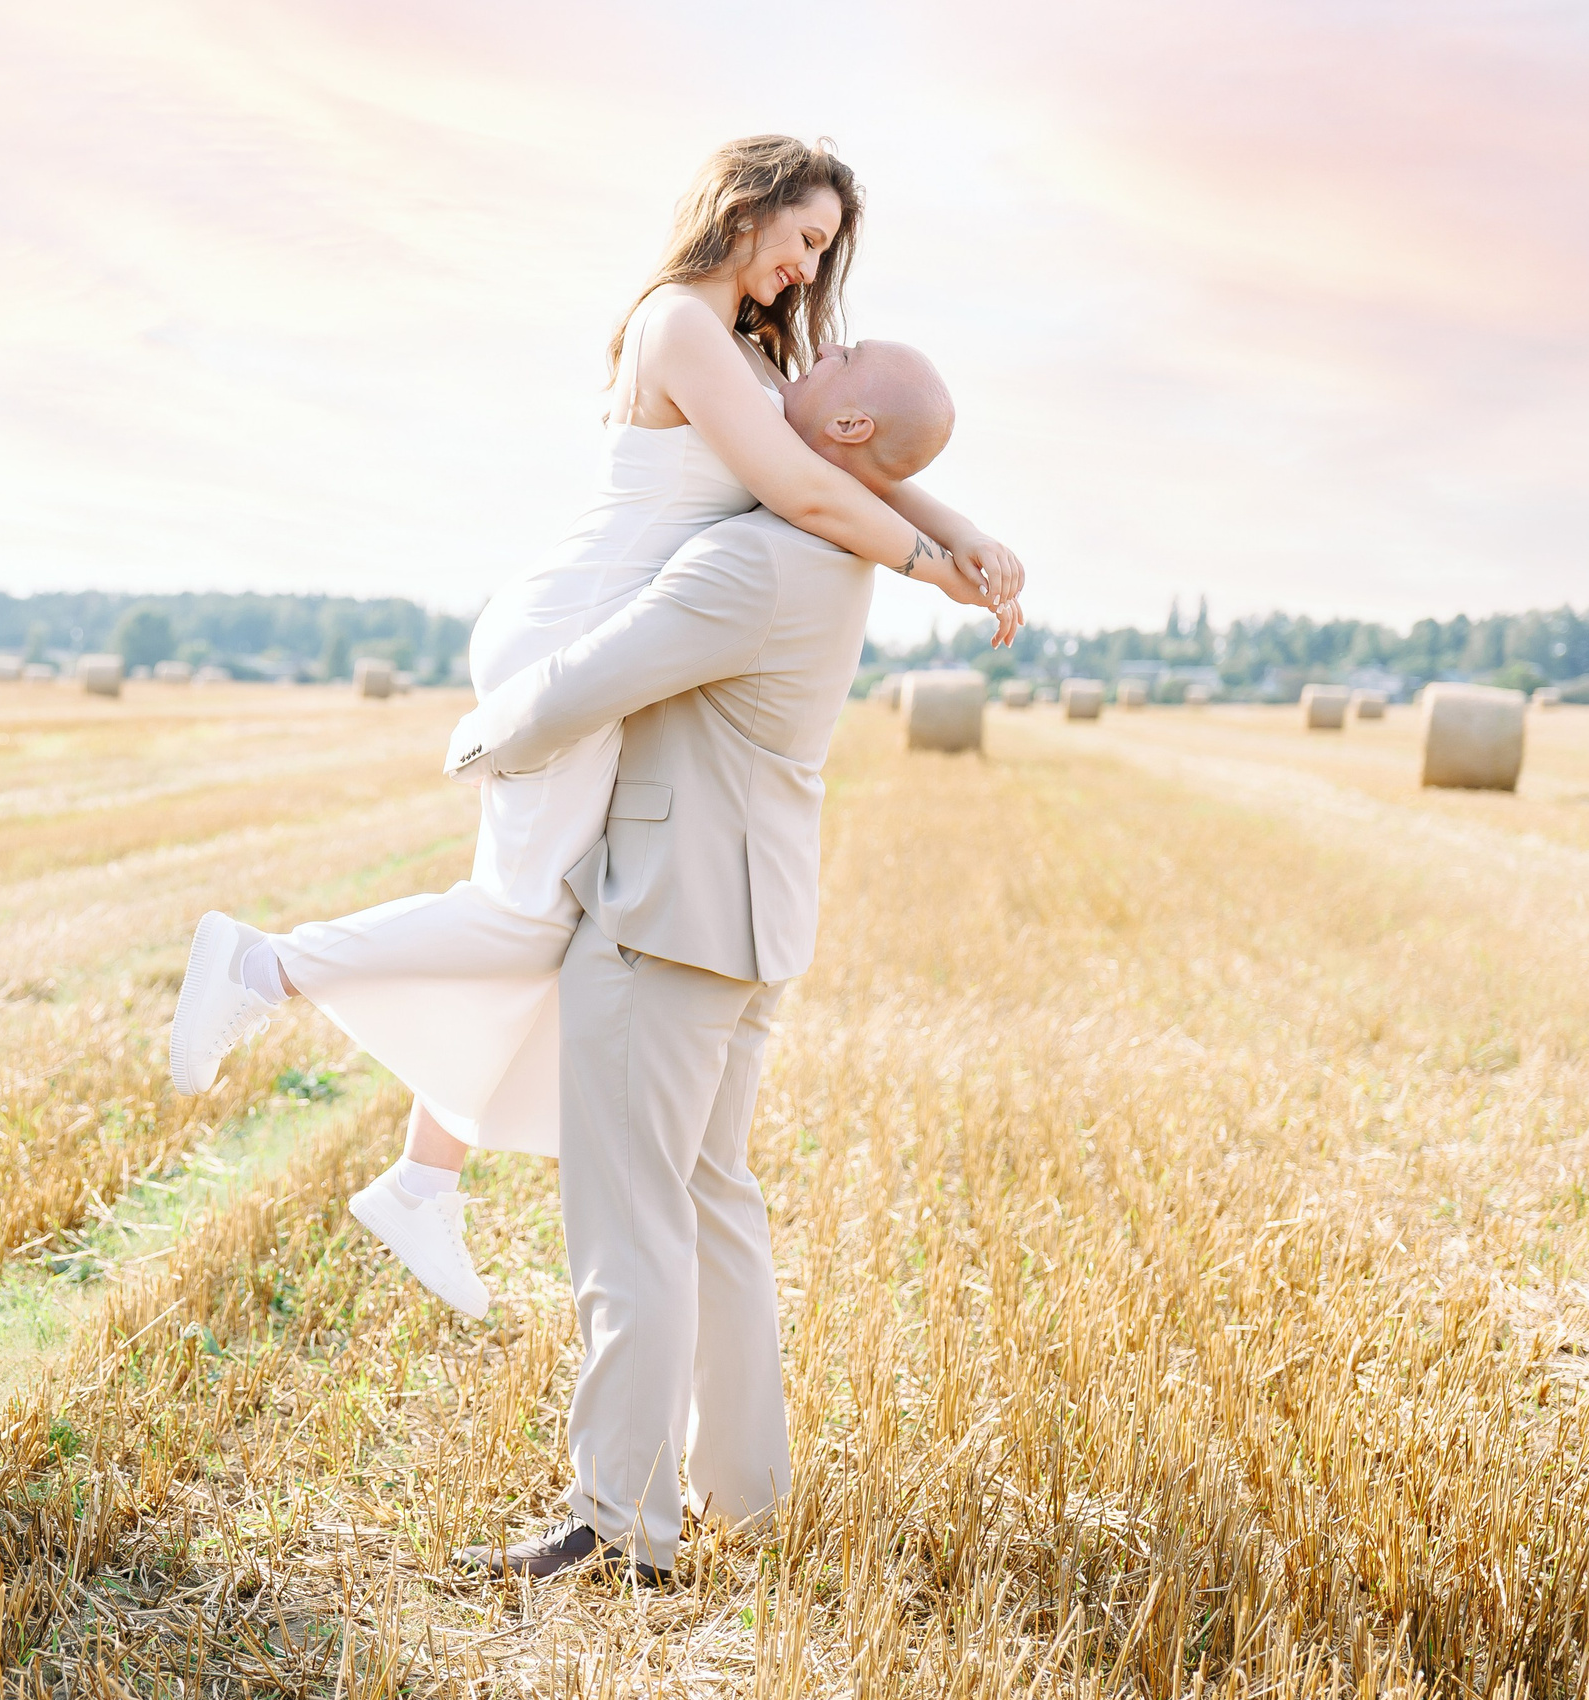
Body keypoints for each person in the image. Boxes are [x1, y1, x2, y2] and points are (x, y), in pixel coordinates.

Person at [166, 137, 1022, 1318]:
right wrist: (933, 566)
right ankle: (261, 967)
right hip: (573, 639)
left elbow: (851, 446)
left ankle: (421, 1181)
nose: (811, 273)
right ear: (748, 206)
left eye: (826, 252)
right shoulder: (679, 322)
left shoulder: (750, 355)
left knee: (551, 930)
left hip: (617, 649)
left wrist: (967, 533)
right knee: (522, 922)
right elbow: (810, 486)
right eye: (808, 239)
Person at [441, 347, 971, 1582]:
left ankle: (617, 1523)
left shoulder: (750, 560)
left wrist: (478, 739)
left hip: (668, 923)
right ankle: (744, 1488)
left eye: (833, 358)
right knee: (712, 1199)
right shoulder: (839, 551)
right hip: (754, 919)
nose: (804, 351)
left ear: (841, 418)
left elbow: (588, 679)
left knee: (627, 1224)